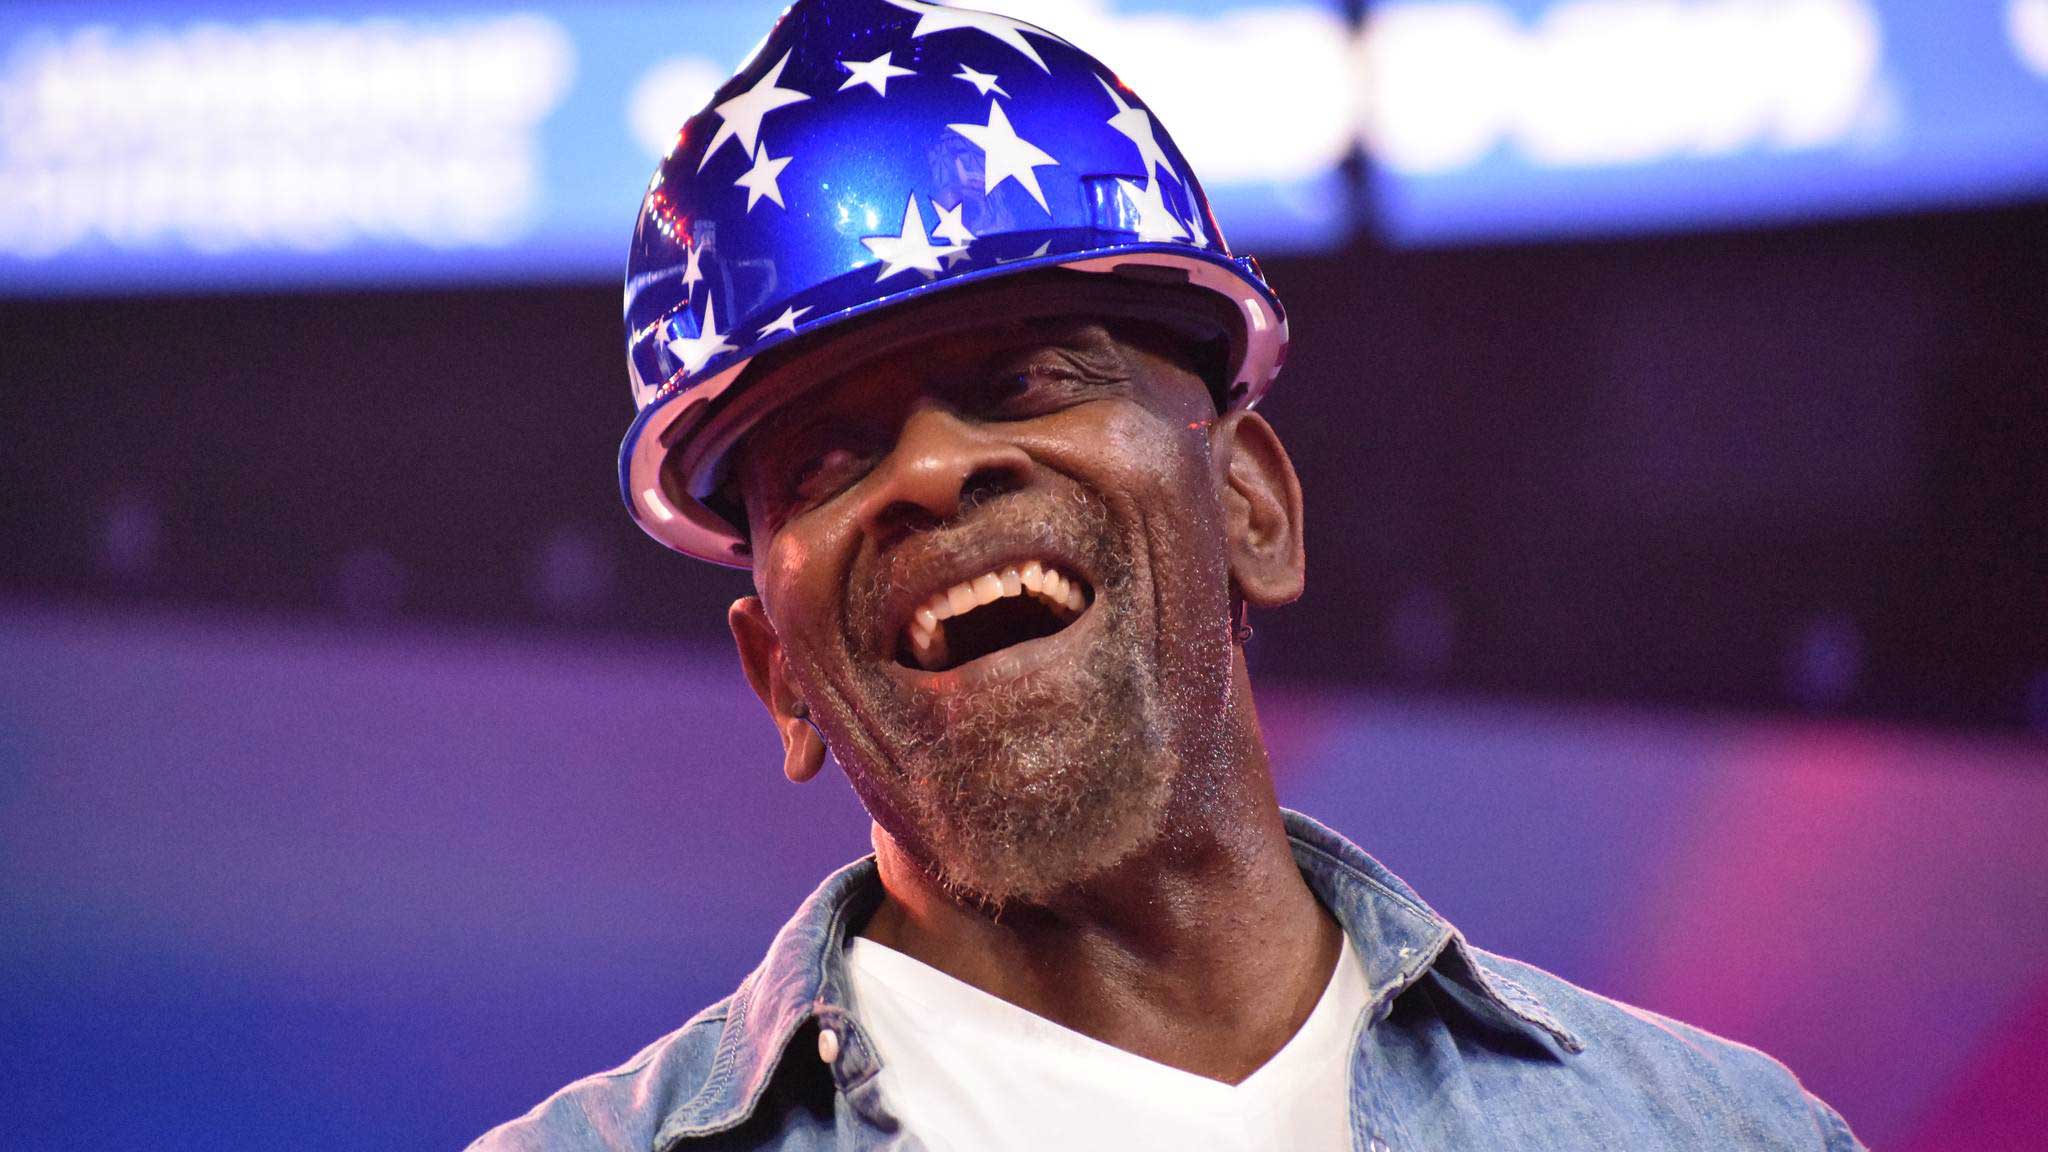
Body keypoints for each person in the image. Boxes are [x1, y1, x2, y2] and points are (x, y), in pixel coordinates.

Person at [474, 1, 1865, 1148]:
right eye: (828, 461)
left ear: (1252, 505)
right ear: (781, 679)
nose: (931, 476)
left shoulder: (1714, 1134)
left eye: (1021, 380)